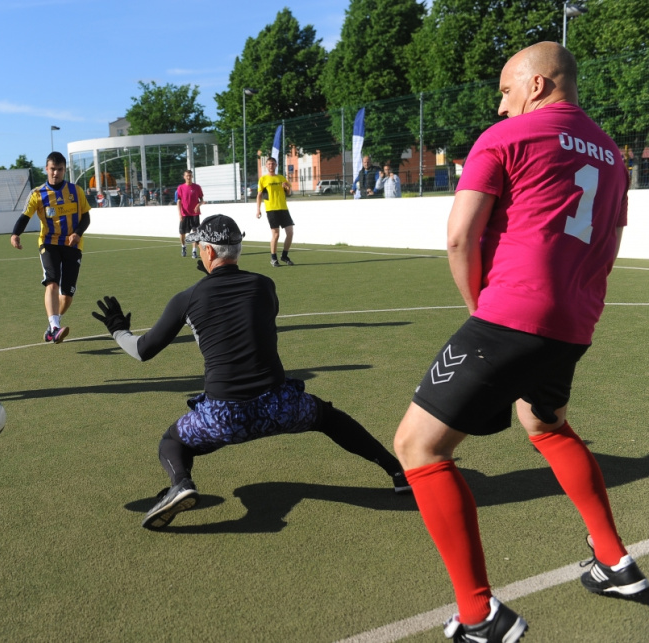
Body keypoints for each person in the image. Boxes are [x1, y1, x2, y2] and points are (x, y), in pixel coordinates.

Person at [392, 42, 646, 643]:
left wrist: (480, 312)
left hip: (512, 314)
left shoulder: (507, 137)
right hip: (575, 321)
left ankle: (479, 615)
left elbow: (460, 237)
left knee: (417, 447)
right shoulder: (612, 155)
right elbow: (608, 243)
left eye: (506, 91)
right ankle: (615, 561)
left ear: (536, 85)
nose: (500, 105)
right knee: (546, 424)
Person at [92, 214, 410, 530]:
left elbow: (142, 351)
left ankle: (181, 484)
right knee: (329, 418)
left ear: (208, 251)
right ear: (238, 249)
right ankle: (398, 471)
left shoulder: (187, 299)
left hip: (224, 416)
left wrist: (118, 329)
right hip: (281, 407)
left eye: (200, 246)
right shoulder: (264, 285)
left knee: (173, 441)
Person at [11, 151, 91, 344]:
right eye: (53, 169)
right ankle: (55, 327)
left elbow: (86, 217)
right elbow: (25, 217)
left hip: (73, 245)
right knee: (52, 282)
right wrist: (15, 234)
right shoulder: (37, 194)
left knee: (67, 295)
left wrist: (77, 233)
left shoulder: (76, 191)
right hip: (49, 243)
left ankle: (53, 325)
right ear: (46, 169)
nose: (56, 173)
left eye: (60, 169)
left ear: (65, 170)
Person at [256, 157, 296, 267]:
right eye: (269, 164)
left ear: (276, 165)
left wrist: (287, 187)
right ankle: (273, 258)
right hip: (271, 210)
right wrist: (258, 209)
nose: (271, 165)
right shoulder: (263, 179)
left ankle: (284, 256)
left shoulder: (281, 178)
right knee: (276, 234)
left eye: (273, 164)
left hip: (283, 209)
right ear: (266, 166)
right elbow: (259, 195)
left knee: (290, 233)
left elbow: (289, 192)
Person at [176, 169, 204, 258]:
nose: (188, 177)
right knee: (182, 233)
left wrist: (198, 205)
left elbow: (202, 200)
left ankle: (194, 251)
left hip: (195, 214)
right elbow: (179, 201)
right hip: (184, 214)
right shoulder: (180, 187)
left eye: (190, 175)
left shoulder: (197, 187)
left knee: (195, 233)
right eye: (187, 176)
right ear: (184, 177)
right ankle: (183, 247)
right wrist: (180, 214)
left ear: (192, 176)